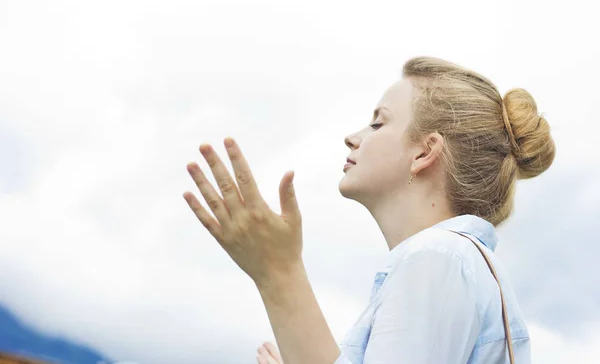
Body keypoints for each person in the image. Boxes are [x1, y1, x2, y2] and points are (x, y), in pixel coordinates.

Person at [183, 57, 555, 364]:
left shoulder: (436, 259)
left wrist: (278, 271)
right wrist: (275, 272)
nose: (354, 136)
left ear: (425, 152)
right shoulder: (450, 262)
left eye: (379, 122)